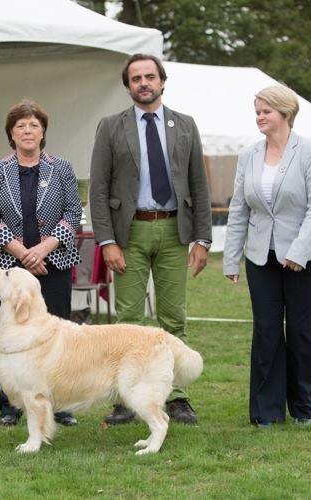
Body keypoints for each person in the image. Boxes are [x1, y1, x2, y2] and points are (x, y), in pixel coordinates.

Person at [89, 53, 212, 425]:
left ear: (162, 80)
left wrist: (203, 238)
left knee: (173, 319)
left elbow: (198, 185)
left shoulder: (185, 125)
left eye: (149, 76)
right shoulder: (111, 127)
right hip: (130, 233)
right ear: (127, 86)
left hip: (176, 230)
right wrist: (106, 241)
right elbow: (98, 189)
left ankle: (175, 396)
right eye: (136, 78)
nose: (143, 83)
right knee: (128, 320)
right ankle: (127, 398)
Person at [223, 84, 311, 428]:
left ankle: (303, 409)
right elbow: (239, 208)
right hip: (261, 257)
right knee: (267, 331)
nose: (259, 117)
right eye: (256, 111)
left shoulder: (310, 152)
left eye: (265, 111)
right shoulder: (249, 155)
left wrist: (299, 252)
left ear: (285, 114)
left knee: (302, 332)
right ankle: (265, 412)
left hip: (309, 257)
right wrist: (231, 258)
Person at [0, 99, 83, 427]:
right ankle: (9, 407)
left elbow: (72, 214)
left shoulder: (63, 168)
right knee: (10, 335)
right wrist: (23, 254)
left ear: (43, 132)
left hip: (53, 264)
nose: (27, 131)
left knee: (56, 337)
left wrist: (41, 250)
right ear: (11, 134)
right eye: (20, 126)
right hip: (8, 267)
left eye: (34, 125)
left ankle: (60, 404)